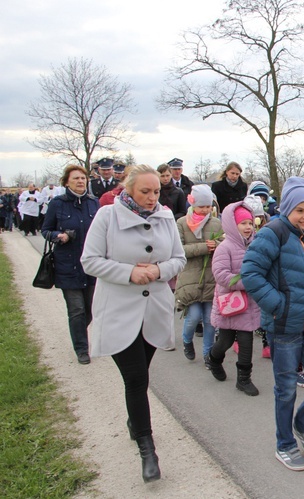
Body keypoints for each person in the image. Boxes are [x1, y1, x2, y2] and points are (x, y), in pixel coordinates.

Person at [81, 164, 187, 482]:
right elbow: (90, 260)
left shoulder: (166, 217)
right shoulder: (107, 217)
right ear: (128, 188)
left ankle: (134, 421)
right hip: (118, 310)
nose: (152, 197)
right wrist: (129, 272)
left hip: (154, 309)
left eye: (156, 191)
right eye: (145, 191)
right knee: (137, 378)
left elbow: (178, 259)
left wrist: (157, 271)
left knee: (141, 375)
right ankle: (147, 448)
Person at [241, 176, 304, 472]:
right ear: (287, 209)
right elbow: (251, 273)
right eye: (299, 210)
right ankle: (284, 444)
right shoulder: (273, 233)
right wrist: (279, 306)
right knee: (286, 388)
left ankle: (303, 422)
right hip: (283, 327)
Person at [42, 165, 100, 364]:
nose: (80, 181)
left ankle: (79, 333)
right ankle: (82, 348)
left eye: (83, 178)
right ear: (67, 182)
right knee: (76, 310)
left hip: (91, 266)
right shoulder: (57, 204)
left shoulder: (94, 203)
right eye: (76, 178)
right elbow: (46, 230)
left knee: (91, 309)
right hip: (67, 266)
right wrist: (59, 236)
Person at [206, 199, 263, 396]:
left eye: (250, 223)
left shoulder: (255, 245)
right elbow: (221, 275)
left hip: (249, 304)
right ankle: (213, 358)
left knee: (247, 341)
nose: (248, 227)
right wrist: (247, 282)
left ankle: (243, 379)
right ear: (232, 225)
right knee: (225, 341)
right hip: (230, 303)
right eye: (243, 223)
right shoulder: (225, 247)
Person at [174, 184, 222, 366]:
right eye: (201, 206)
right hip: (190, 278)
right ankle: (187, 340)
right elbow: (179, 249)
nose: (205, 210)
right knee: (193, 317)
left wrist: (217, 245)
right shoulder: (181, 223)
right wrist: (204, 247)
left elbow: (223, 242)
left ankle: (208, 355)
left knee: (211, 320)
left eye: (208, 206)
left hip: (211, 278)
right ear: (193, 204)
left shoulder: (217, 223)